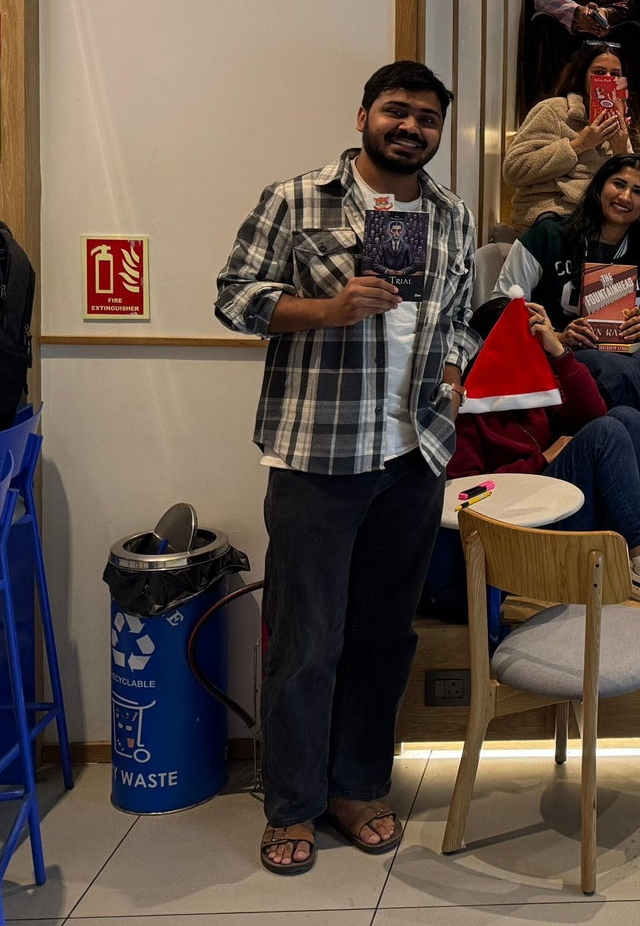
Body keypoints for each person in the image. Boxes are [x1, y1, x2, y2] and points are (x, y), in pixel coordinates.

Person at [215, 61, 479, 876]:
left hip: (414, 453)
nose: (411, 127)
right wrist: (327, 311)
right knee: (306, 639)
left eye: (427, 118)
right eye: (397, 111)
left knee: (384, 636)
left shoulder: (451, 214)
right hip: (318, 456)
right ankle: (291, 802)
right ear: (363, 115)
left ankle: (356, 787)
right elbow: (234, 298)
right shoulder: (297, 199)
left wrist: (453, 370)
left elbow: (460, 316)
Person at [497, 153, 640, 565]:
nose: (625, 197)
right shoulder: (549, 234)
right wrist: (556, 336)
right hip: (558, 357)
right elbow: (500, 305)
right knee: (621, 371)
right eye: (618, 184)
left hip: (626, 355)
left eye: (639, 191)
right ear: (599, 185)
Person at [447, 297, 640, 613]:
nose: (531, 352)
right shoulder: (465, 408)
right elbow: (464, 492)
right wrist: (542, 460)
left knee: (627, 417)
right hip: (518, 532)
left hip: (556, 506)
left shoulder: (534, 386)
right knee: (606, 432)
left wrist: (560, 352)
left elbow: (594, 412)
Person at [502, 40, 640, 229]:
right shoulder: (553, 110)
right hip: (552, 215)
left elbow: (631, 185)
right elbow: (514, 170)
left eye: (615, 74)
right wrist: (580, 144)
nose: (608, 79)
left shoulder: (618, 120)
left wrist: (620, 150)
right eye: (599, 72)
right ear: (583, 75)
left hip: (598, 218)